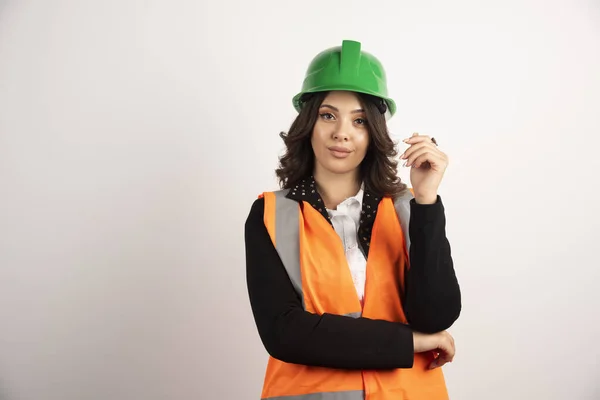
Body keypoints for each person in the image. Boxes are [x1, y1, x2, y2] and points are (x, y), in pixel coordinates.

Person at [244, 39, 461, 400]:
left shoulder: (409, 209)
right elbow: (284, 332)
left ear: (373, 133)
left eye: (359, 120)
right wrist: (410, 343)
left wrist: (426, 201)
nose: (342, 132)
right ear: (308, 123)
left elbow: (436, 315)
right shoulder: (269, 214)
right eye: (328, 115)